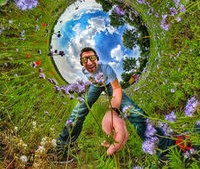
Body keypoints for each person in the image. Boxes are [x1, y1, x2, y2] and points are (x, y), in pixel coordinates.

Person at [50, 47, 198, 163]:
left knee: (132, 110)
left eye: (92, 58)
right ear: (81, 63)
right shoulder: (85, 71)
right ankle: (62, 146)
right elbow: (90, 80)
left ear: (97, 59)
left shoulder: (106, 68)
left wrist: (113, 110)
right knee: (80, 109)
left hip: (109, 84)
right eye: (84, 60)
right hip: (95, 86)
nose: (89, 63)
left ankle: (164, 147)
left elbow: (117, 88)